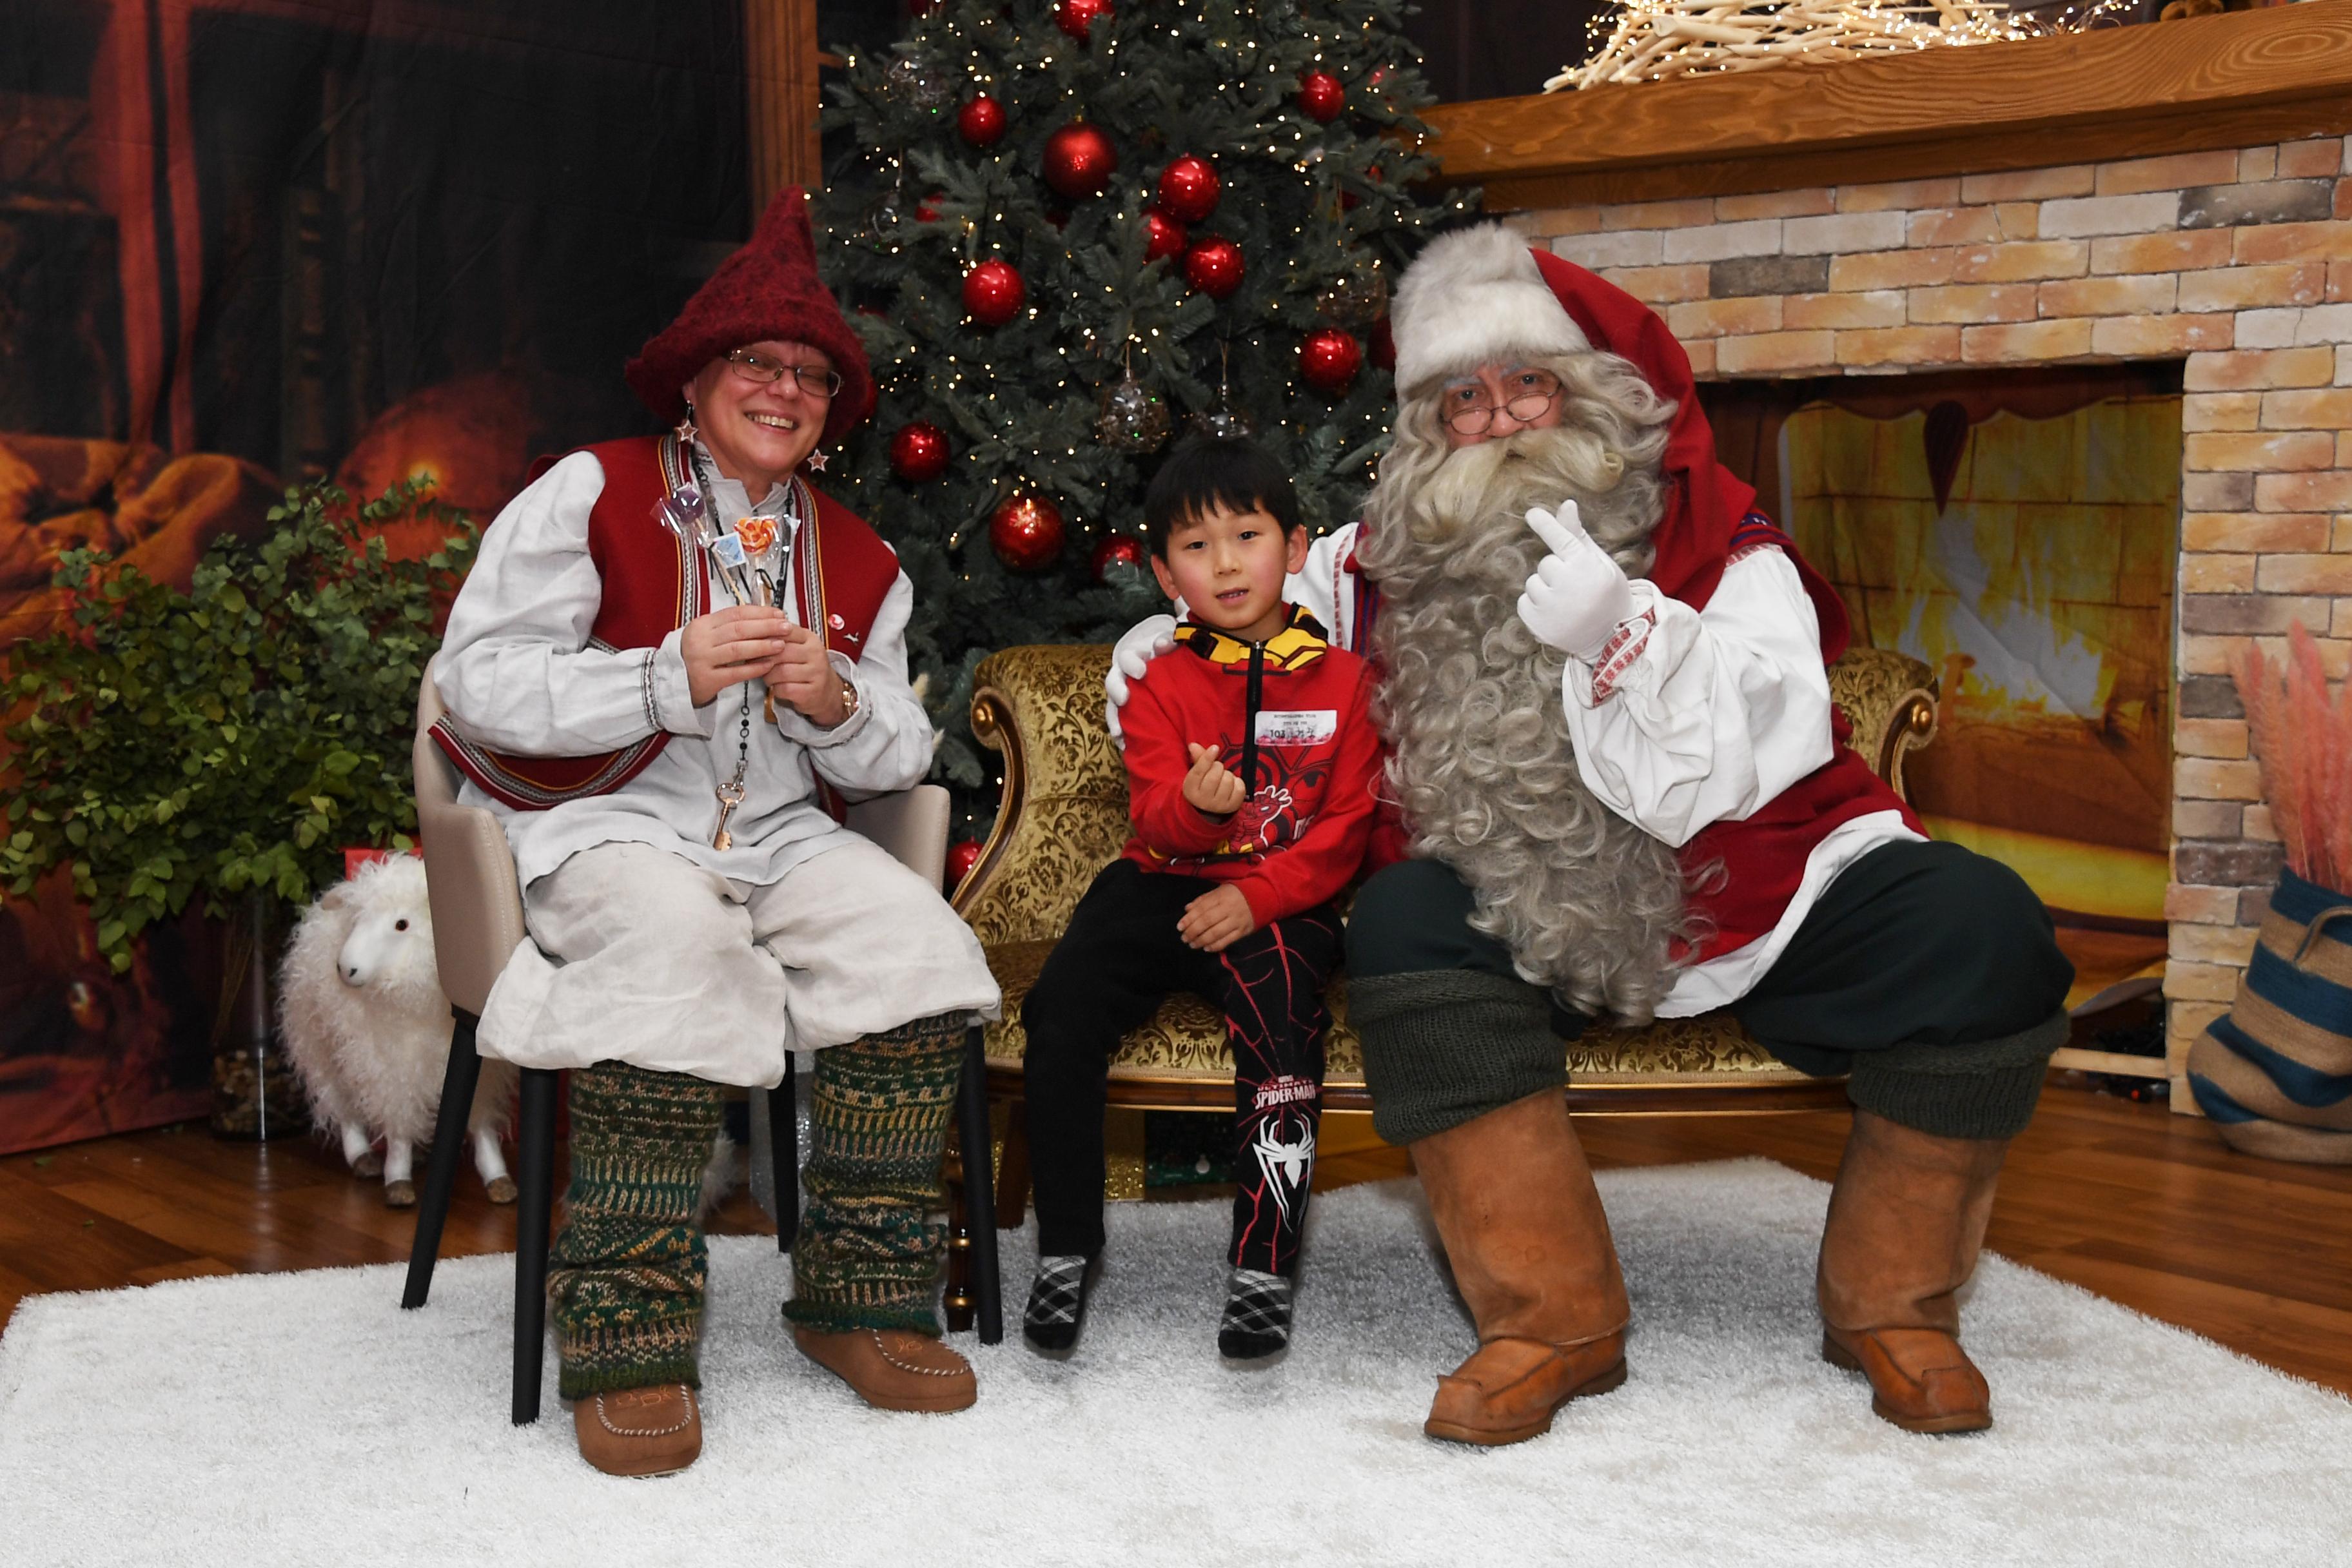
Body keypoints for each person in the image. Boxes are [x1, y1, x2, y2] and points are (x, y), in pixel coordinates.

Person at [1105, 224, 2072, 1441]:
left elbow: (1776, 723)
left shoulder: (1721, 540)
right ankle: (1549, 1319)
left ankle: (1897, 1304)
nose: (1501, 417)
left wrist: (1627, 633)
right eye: (1465, 397)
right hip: (1509, 908)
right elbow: (1238, 618)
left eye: (1530, 383)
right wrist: (1170, 651)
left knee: (1983, 925)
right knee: (1409, 917)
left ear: (1597, 398)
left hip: (1741, 891)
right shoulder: (1363, 563)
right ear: (1427, 428)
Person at [431, 188, 1001, 1478]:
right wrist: (663, 674)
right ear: (696, 378)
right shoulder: (590, 491)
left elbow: (902, 753)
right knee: (675, 946)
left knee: (916, 947)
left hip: (781, 834)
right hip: (604, 822)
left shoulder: (857, 559)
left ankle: (858, 1300)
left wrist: (833, 695)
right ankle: (626, 1331)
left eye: (809, 374)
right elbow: (480, 679)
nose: (784, 389)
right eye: (758, 362)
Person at [1019, 437, 1382, 1360]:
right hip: (1159, 881)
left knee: (1283, 1022)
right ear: (1162, 571)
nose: (1224, 563)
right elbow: (1151, 815)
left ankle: (1263, 1269)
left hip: (1281, 898)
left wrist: (1259, 898)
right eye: (1195, 545)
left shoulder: (1351, 685)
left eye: (1247, 535)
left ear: (1295, 548)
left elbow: (1345, 831)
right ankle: (1063, 1249)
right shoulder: (1158, 681)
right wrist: (1195, 807)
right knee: (1061, 1007)